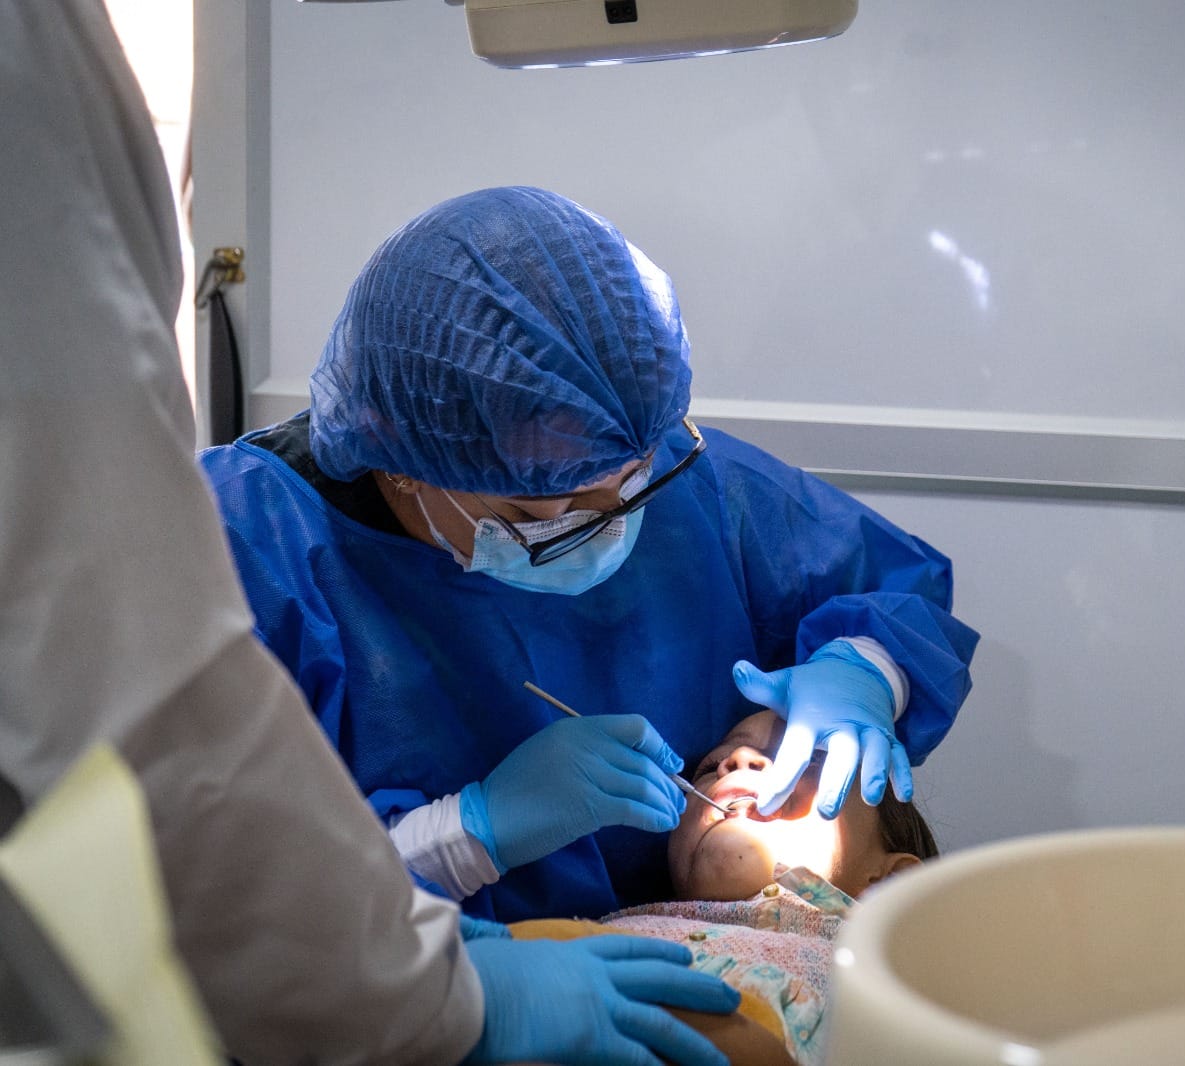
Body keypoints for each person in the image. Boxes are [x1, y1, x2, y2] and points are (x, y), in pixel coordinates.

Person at [0, 5, 738, 1064]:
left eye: (619, 493)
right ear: (402, 453)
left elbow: (855, 583)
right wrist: (463, 868)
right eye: (530, 514)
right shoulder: (252, 546)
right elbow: (177, 811)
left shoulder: (643, 442)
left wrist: (837, 687)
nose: (591, 529)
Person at [197, 185, 980, 922]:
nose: (611, 527)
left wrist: (867, 667)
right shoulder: (237, 552)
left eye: (632, 483)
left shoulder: (665, 465)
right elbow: (217, 895)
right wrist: (464, 834)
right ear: (401, 458)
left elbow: (888, 586)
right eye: (545, 510)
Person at [498, 708, 942, 1066]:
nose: (739, 759)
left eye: (808, 760)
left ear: (889, 888)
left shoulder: (871, 985)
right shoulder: (611, 926)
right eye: (710, 767)